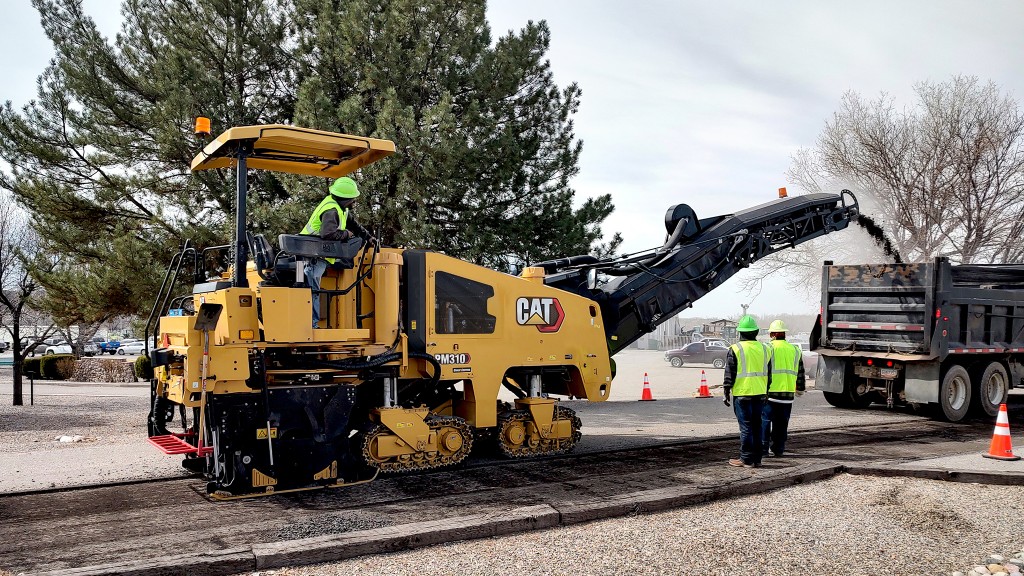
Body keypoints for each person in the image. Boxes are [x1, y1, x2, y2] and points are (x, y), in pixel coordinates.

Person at [300, 176, 373, 328]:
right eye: (353, 199)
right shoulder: (331, 210)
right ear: (345, 199)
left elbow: (355, 225)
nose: (354, 202)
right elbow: (327, 234)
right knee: (311, 290)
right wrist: (347, 234)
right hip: (312, 256)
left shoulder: (341, 209)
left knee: (310, 289)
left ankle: (310, 323)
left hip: (310, 254)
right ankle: (311, 325)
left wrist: (369, 238)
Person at [722, 315, 771, 468]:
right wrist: (766, 391)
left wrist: (726, 393)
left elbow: (729, 374)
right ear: (756, 332)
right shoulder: (765, 349)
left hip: (742, 394)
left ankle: (746, 459)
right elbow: (769, 374)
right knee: (757, 426)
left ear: (740, 333)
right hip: (760, 394)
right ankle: (757, 459)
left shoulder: (735, 349)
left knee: (746, 428)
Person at [762, 320, 805, 457]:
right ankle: (778, 449)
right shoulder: (795, 350)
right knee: (782, 424)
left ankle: (763, 449)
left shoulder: (768, 348)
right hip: (787, 395)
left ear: (772, 334)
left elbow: (764, 371)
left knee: (765, 421)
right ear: (784, 334)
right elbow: (800, 372)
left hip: (770, 393)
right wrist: (800, 389)